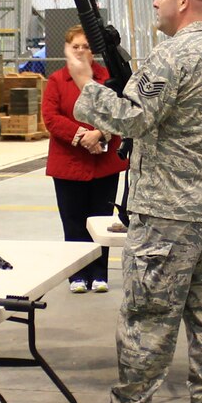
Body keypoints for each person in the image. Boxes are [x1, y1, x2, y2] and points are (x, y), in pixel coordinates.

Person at [68, 0, 202, 403]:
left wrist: (85, 81)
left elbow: (133, 118)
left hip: (168, 211)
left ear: (184, 1)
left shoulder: (172, 57)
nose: (155, 3)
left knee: (148, 315)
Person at [41, 25, 128, 294]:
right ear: (67, 49)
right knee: (74, 221)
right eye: (75, 46)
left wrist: (100, 134)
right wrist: (82, 135)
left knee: (101, 219)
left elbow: (121, 110)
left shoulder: (108, 78)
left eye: (86, 47)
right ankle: (77, 275)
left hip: (104, 164)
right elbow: (51, 117)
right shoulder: (56, 80)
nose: (81, 51)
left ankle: (100, 273)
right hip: (68, 163)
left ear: (95, 51)